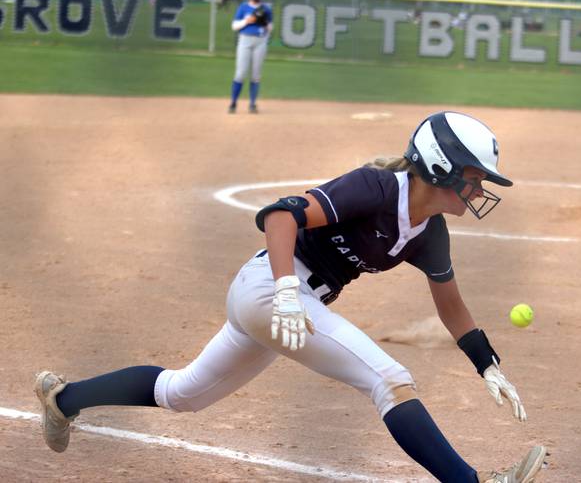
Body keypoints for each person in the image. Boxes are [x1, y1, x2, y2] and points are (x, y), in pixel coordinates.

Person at [34, 112, 548, 482]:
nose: (481, 190)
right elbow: (280, 215)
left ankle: (64, 399)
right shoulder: (375, 188)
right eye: (476, 177)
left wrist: (488, 366)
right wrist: (284, 291)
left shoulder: (429, 230)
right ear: (442, 169)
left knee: (181, 393)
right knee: (390, 380)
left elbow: (451, 304)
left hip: (286, 304)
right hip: (271, 291)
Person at [229, 0, 273, 114]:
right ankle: (233, 103)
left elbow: (270, 28)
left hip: (260, 41)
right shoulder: (243, 7)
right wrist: (247, 21)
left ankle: (253, 104)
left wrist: (264, 22)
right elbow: (234, 26)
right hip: (245, 40)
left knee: (256, 75)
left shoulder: (266, 9)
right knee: (240, 73)